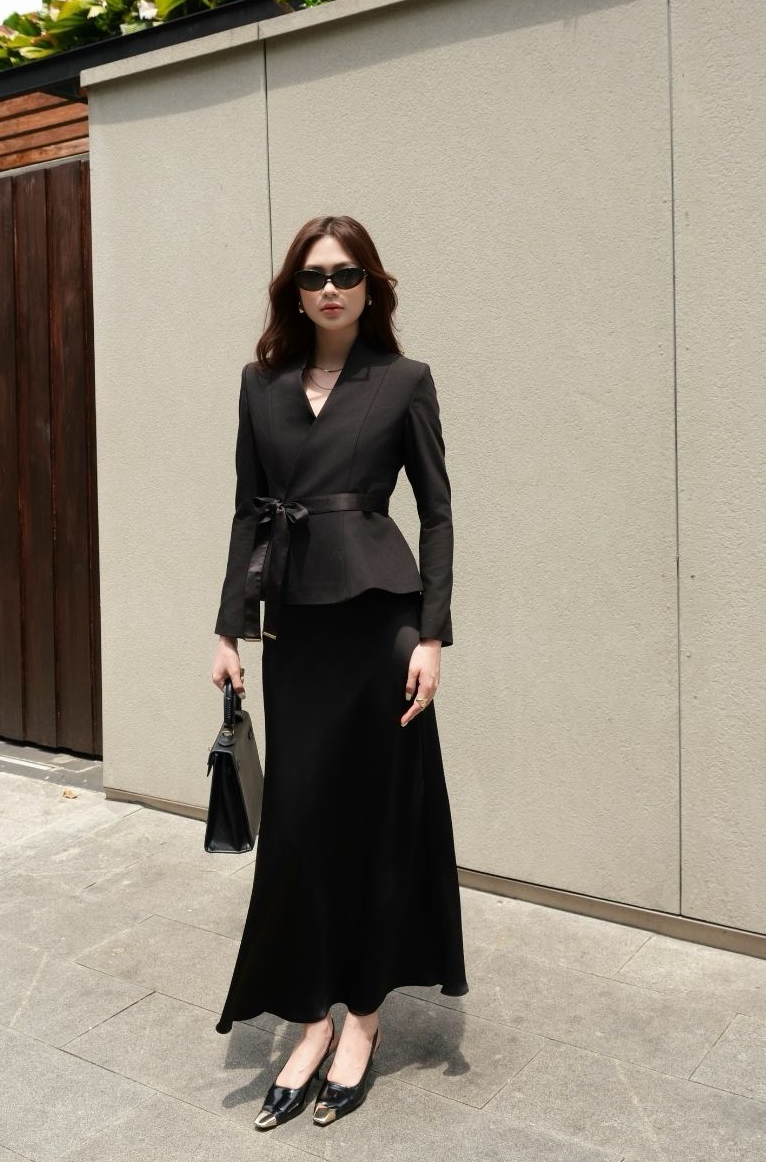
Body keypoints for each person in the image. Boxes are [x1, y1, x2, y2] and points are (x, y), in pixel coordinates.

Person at [210, 214, 469, 1130]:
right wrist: (229, 630)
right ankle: (309, 1018)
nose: (331, 288)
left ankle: (362, 1016)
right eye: (315, 275)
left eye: (347, 274)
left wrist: (432, 636)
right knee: (301, 822)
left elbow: (437, 514)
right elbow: (248, 512)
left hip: (381, 623)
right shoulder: (261, 385)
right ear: (294, 288)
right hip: (298, 631)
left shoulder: (404, 380)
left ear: (371, 287)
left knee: (377, 815)